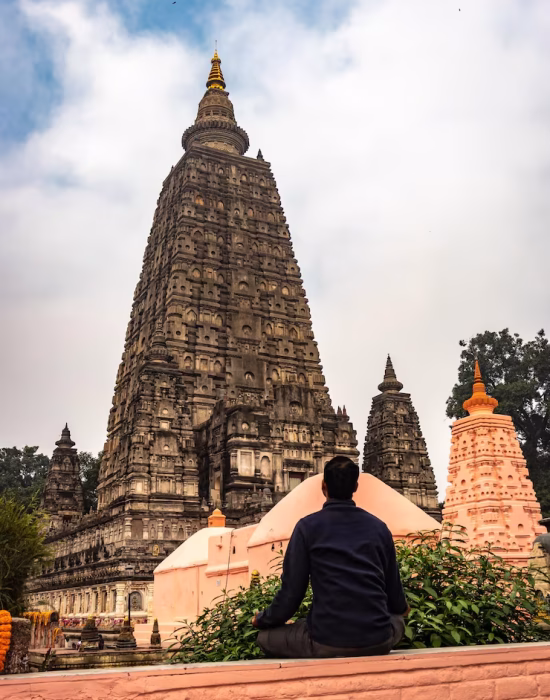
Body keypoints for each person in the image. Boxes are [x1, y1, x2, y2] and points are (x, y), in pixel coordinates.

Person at [252, 456, 409, 658]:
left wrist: (262, 619)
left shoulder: (307, 527)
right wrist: (402, 609)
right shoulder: (379, 527)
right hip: (378, 640)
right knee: (398, 621)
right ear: (356, 486)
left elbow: (291, 595)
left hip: (326, 640)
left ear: (323, 486)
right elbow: (396, 599)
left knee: (264, 638)